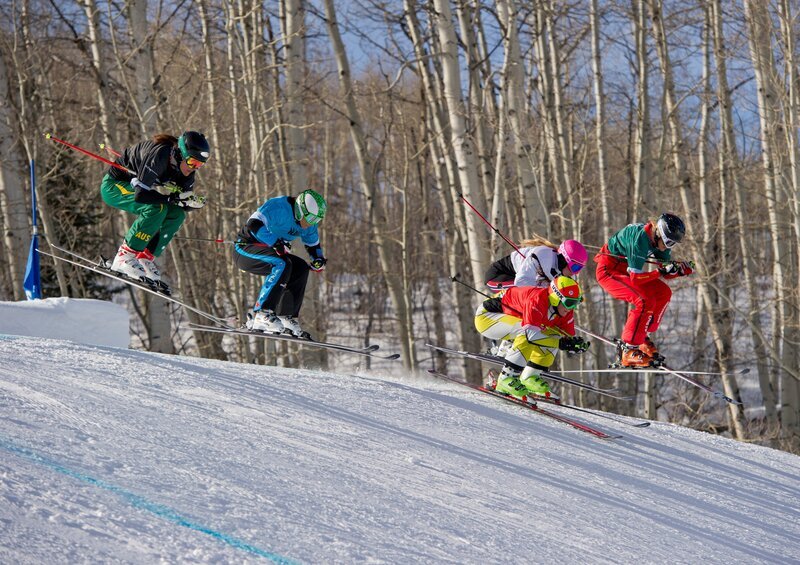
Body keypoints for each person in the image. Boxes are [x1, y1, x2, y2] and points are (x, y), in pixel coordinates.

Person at [100, 131, 210, 290]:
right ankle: (125, 256)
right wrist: (171, 199)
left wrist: (189, 203)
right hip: (114, 186)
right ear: (180, 154)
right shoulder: (159, 155)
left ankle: (144, 257)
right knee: (156, 208)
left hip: (136, 190)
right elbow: (141, 196)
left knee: (177, 214)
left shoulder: (187, 173)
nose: (195, 168)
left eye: (200, 164)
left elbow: (180, 205)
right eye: (193, 162)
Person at [594, 213, 693, 368]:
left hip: (624, 271)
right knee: (644, 299)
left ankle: (642, 338)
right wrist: (660, 272)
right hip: (609, 271)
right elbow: (636, 279)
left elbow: (665, 273)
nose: (668, 247)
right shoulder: (640, 239)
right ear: (659, 233)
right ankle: (629, 349)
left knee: (663, 293)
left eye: (673, 244)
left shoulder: (658, 242)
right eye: (669, 242)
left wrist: (679, 271)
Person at [474, 275, 590, 402]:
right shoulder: (537, 300)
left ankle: (530, 376)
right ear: (556, 298)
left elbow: (564, 338)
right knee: (527, 332)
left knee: (553, 334)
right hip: (487, 317)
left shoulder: (565, 311)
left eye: (576, 303)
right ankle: (507, 378)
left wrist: (574, 345)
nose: (571, 308)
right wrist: (562, 344)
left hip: (512, 321)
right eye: (569, 303)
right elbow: (531, 335)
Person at [234, 189, 328, 339]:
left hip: (271, 251)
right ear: (299, 211)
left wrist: (318, 260)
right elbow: (253, 224)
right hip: (246, 249)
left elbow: (313, 245)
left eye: (315, 220)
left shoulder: (310, 223)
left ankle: (286, 316)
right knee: (281, 263)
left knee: (300, 267)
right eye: (309, 219)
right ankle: (262, 313)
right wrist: (275, 243)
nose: (310, 224)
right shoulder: (278, 207)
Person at [484, 238, 588, 290]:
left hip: (517, 279)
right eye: (575, 267)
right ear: (563, 260)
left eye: (579, 268)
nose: (575, 273)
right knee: (522, 294)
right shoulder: (542, 256)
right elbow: (521, 282)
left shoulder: (567, 273)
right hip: (497, 276)